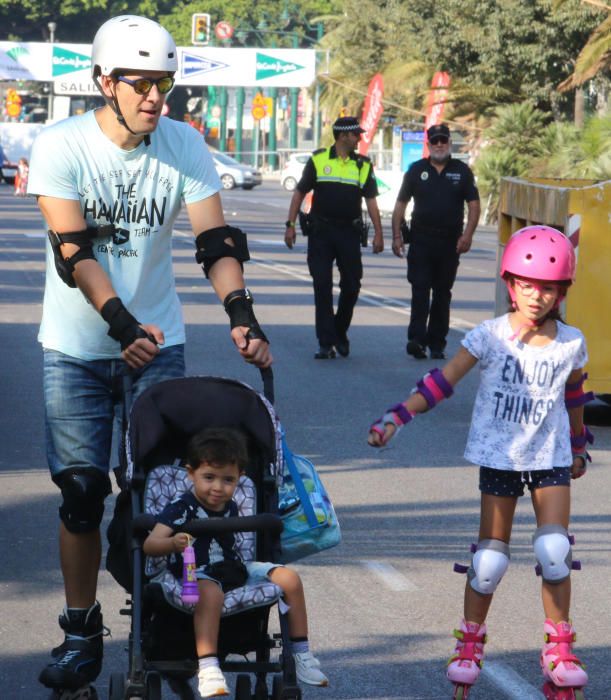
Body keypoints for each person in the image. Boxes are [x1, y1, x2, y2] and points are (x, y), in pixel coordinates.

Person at [27, 14, 271, 694]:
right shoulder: (60, 145)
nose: (154, 98)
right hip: (78, 347)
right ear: (105, 83)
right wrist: (120, 323)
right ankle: (80, 630)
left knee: (158, 494)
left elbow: (215, 242)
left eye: (163, 84)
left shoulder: (183, 144)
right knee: (81, 493)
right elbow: (74, 251)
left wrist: (240, 314)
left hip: (157, 347)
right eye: (139, 85)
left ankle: (164, 625)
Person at [368, 226, 592, 699]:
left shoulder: (571, 342)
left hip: (549, 456)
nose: (538, 296)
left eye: (549, 287)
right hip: (499, 458)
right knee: (490, 560)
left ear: (562, 291)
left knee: (554, 552)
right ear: (511, 285)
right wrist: (398, 416)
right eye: (528, 285)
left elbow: (574, 395)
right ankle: (470, 642)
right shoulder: (488, 337)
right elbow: (441, 382)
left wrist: (577, 444)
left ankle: (559, 647)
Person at [144, 427, 329, 698]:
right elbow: (150, 544)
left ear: (240, 478)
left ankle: (301, 655)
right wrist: (173, 543)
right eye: (209, 478)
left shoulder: (231, 505)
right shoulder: (182, 507)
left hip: (233, 568)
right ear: (190, 473)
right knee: (211, 592)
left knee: (290, 579)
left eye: (227, 480)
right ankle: (207, 667)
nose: (218, 488)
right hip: (195, 571)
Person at [284, 116, 384, 359]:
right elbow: (299, 192)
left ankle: (339, 330)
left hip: (349, 233)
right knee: (322, 286)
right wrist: (290, 225)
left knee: (352, 285)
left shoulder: (362, 165)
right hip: (321, 233)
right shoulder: (318, 160)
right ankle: (325, 342)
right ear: (342, 136)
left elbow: (371, 201)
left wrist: (380, 234)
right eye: (355, 135)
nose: (359, 138)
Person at [391, 123, 480, 360]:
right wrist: (396, 236)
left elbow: (473, 205)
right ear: (428, 144)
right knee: (420, 290)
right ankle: (416, 340)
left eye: (443, 140)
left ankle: (437, 343)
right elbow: (401, 204)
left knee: (442, 293)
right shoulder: (416, 170)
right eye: (435, 141)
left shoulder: (461, 171)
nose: (439, 145)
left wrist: (468, 235)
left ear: (450, 143)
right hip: (421, 239)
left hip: (449, 243)